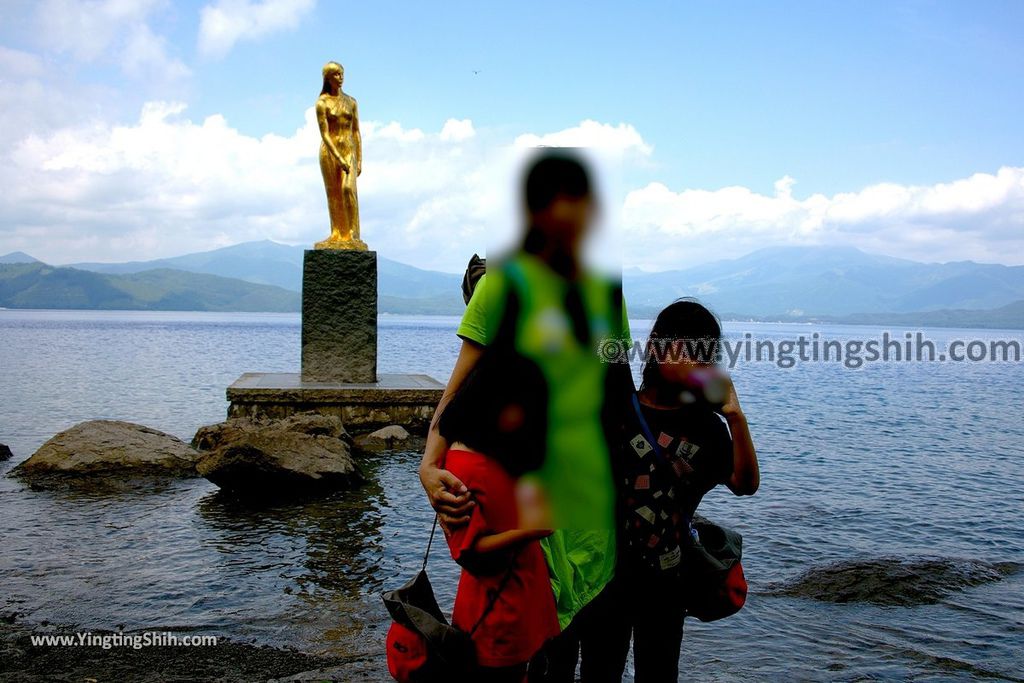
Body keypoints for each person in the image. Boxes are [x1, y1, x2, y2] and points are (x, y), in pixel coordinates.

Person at [417, 150, 632, 680]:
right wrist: (428, 461)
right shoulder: (498, 286)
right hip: (522, 493)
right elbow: (462, 383)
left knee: (595, 649)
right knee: (537, 651)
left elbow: (617, 389)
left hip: (589, 498)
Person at [600, 299, 760, 682]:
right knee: (600, 669)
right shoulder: (617, 409)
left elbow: (745, 484)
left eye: (707, 353)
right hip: (605, 575)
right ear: (656, 348)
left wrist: (735, 415)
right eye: (689, 349)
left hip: (668, 580)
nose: (699, 362)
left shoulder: (706, 427)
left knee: (658, 672)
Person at [435, 350, 561, 682]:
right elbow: (470, 551)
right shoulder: (465, 468)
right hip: (498, 615)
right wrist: (533, 530)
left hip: (516, 602)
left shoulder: (488, 455)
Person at [315, 61, 366, 250]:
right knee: (334, 193)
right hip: (330, 152)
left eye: (342, 74)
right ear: (328, 78)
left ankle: (353, 233)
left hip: (349, 150)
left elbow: (356, 132)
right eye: (336, 75)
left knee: (347, 189)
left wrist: (359, 159)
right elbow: (325, 134)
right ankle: (337, 232)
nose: (340, 78)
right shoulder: (322, 103)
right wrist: (338, 157)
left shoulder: (351, 102)